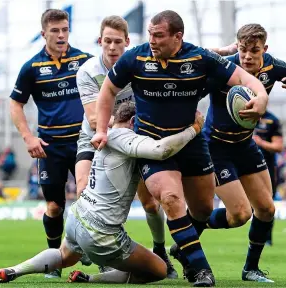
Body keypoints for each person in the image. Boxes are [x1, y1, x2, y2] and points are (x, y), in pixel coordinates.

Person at [91, 10, 269, 287]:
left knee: (202, 210)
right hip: (150, 145)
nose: (152, 40)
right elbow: (108, 92)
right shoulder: (135, 57)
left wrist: (261, 96)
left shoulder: (200, 57)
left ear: (178, 36)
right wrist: (102, 129)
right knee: (171, 198)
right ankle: (201, 270)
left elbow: (245, 79)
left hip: (191, 143)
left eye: (159, 35)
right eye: (150, 34)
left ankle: (184, 251)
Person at [0, 102, 204, 284]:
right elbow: (161, 149)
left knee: (63, 256)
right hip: (102, 232)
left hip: (78, 216)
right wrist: (193, 130)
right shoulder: (123, 137)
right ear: (134, 122)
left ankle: (13, 271)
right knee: (158, 269)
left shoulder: (106, 134)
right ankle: (91, 278)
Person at [170, 23, 286, 283]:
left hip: (246, 145)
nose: (248, 56)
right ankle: (189, 237)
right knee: (240, 214)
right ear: (236, 47)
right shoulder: (223, 67)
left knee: (266, 209)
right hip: (216, 147)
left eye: (254, 50)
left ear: (265, 49)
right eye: (242, 50)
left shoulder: (272, 66)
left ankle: (250, 268)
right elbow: (189, 71)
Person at [75, 15, 176, 278]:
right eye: (107, 41)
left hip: (132, 135)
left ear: (127, 42)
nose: (111, 47)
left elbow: (179, 55)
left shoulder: (139, 63)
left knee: (150, 203)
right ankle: (89, 250)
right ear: (100, 41)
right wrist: (120, 129)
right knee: (82, 188)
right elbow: (94, 117)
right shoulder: (87, 71)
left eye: (117, 42)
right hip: (96, 137)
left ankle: (160, 249)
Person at [9, 9, 92, 278]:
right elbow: (15, 103)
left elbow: (109, 86)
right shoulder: (31, 67)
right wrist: (28, 137)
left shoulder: (84, 60)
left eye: (65, 29)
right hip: (50, 146)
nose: (61, 35)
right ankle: (54, 261)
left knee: (88, 198)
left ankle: (95, 251)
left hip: (83, 142)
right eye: (55, 30)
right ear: (43, 33)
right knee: (55, 206)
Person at [253, 110, 283, 246]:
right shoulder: (240, 114)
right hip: (245, 166)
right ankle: (256, 236)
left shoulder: (272, 120)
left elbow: (278, 146)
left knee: (267, 203)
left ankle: (267, 237)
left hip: (266, 167)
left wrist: (260, 143)